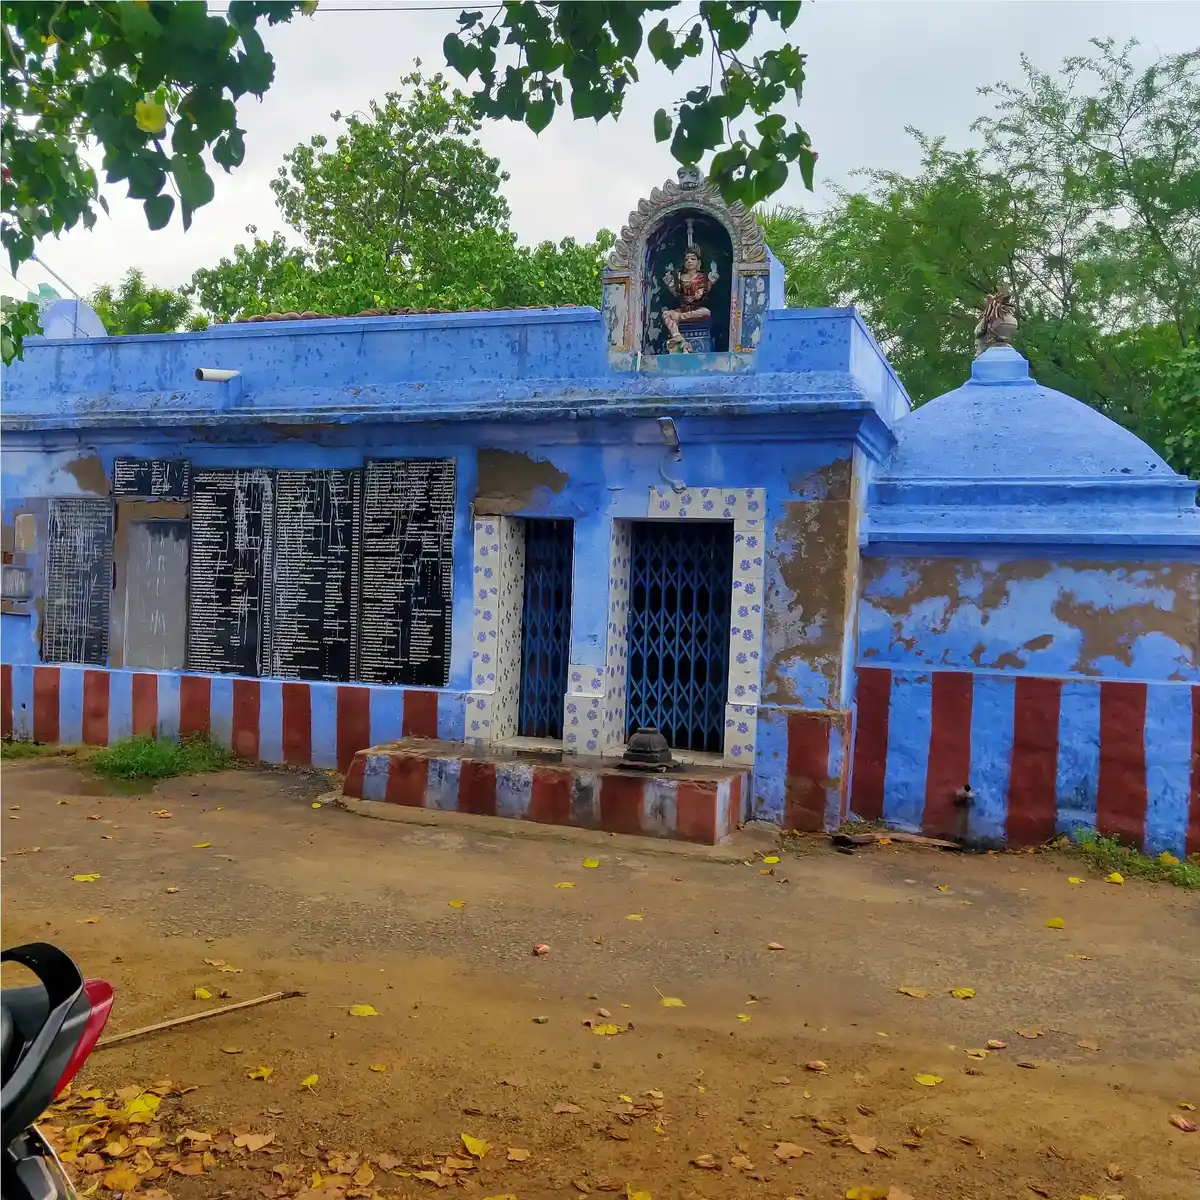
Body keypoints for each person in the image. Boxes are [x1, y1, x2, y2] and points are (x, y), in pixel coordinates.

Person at [662, 248, 718, 349]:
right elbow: (676, 294)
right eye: (687, 259)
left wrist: (700, 292)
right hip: (683, 307)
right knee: (666, 314)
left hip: (696, 309)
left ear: (699, 262)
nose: (689, 261)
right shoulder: (680, 277)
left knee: (706, 312)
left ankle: (680, 317)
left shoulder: (701, 277)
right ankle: (676, 336)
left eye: (693, 259)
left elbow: (703, 290)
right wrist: (669, 285)